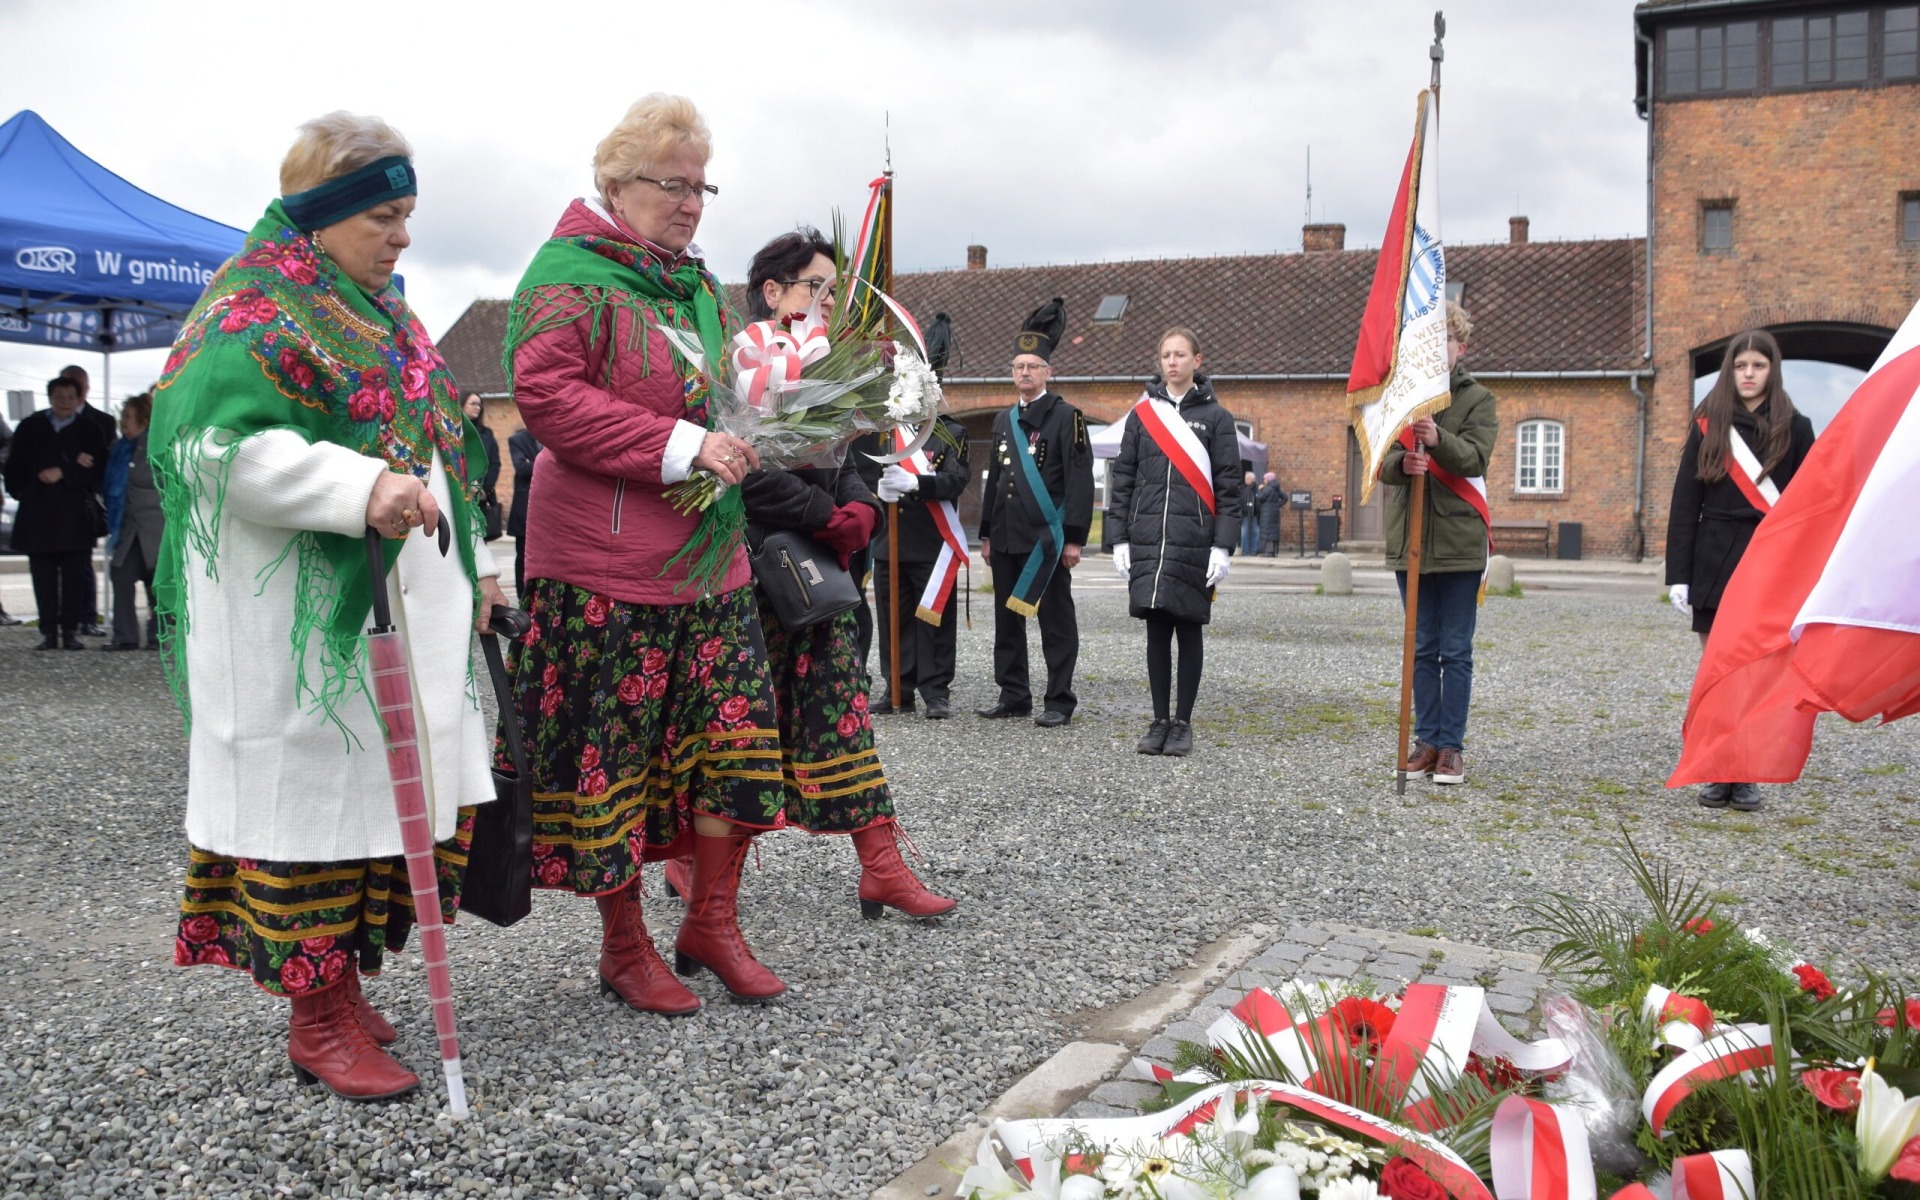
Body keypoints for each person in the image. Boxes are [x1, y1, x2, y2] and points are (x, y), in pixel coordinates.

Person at [152, 112, 507, 1102]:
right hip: (298, 625)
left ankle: (347, 991)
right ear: (326, 212)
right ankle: (318, 1019)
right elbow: (207, 450)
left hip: (400, 611)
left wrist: (479, 568)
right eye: (385, 215)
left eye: (408, 215)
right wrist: (353, 489)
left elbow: (442, 448)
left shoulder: (386, 315)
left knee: (377, 814)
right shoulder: (249, 314)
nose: (402, 236)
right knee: (317, 814)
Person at [502, 94, 789, 1009]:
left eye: (702, 185)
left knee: (733, 742)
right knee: (613, 756)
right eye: (673, 184)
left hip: (709, 553)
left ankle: (712, 919)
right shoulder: (566, 274)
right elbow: (545, 396)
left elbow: (710, 394)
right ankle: (624, 946)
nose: (692, 202)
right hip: (604, 558)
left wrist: (768, 418)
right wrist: (679, 445)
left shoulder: (693, 283)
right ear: (616, 183)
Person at [661, 226, 955, 921]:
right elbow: (741, 469)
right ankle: (697, 876)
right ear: (774, 291)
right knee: (738, 731)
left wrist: (856, 506)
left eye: (831, 287)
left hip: (817, 574)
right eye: (816, 286)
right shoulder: (725, 363)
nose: (828, 299)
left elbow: (840, 451)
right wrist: (825, 512)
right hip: (749, 571)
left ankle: (881, 864)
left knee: (843, 710)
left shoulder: (825, 362)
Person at [1665, 329, 1816, 812]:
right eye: (1741, 366)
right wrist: (1679, 574)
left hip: (1770, 563)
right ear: (1731, 371)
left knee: (1756, 674)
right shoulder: (1708, 425)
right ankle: (1717, 768)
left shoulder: (1797, 427)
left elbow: (1811, 507)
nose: (1749, 374)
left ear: (1773, 371)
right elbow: (1685, 504)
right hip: (1714, 559)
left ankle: (1745, 772)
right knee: (1718, 673)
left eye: (1759, 365)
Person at [1105, 328, 1243, 757]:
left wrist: (1223, 546)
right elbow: (1123, 479)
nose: (1172, 362)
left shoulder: (1217, 419)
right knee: (1156, 630)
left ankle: (1183, 722)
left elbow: (1229, 486)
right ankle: (1159, 719)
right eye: (1166, 355)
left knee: (1189, 629)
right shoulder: (1142, 416)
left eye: (1180, 355)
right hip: (1148, 538)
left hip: (1194, 540)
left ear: (1197, 360)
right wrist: (1118, 539)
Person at [1380, 301, 1497, 788]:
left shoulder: (1478, 399)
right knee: (1420, 649)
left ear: (1460, 348)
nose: (1435, 350)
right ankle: (1426, 741)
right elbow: (1382, 457)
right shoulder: (1401, 395)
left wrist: (1438, 437)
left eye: (1444, 341)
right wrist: (1400, 465)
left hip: (1458, 542)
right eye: (1426, 342)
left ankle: (1451, 748)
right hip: (1411, 542)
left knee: (1456, 650)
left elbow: (1475, 456)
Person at [977, 299, 1095, 727]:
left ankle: (1059, 699)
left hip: (1047, 539)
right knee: (1007, 622)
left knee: (1056, 623)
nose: (1024, 373)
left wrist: (1076, 537)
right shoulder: (1004, 421)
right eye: (1018, 366)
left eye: (1032, 366)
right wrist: (986, 533)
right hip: (1008, 537)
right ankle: (1014, 694)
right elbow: (994, 481)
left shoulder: (1067, 417)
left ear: (1048, 372)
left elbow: (1081, 482)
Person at [873, 412, 971, 719]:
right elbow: (860, 471)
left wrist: (917, 482)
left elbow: (956, 479)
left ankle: (935, 691)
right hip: (890, 540)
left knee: (934, 620)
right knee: (893, 620)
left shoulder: (951, 431)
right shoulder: (885, 428)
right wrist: (875, 491)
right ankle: (897, 688)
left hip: (932, 542)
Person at [5, 376, 108, 649]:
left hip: (75, 514)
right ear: (50, 397)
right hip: (37, 512)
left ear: (79, 399)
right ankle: (48, 631)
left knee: (76, 576)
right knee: (43, 576)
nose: (64, 402)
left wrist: (65, 472)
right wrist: (23, 491)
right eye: (59, 396)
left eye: (70, 397)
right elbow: (13, 466)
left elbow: (98, 471)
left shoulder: (90, 430)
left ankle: (70, 631)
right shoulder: (30, 426)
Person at [102, 392, 164, 650]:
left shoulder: (157, 446)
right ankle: (125, 636)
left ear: (144, 419)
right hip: (130, 529)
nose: (123, 421)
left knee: (158, 584)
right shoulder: (120, 448)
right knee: (121, 575)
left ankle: (160, 636)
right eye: (122, 416)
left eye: (128, 416)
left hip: (156, 528)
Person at [59, 363, 117, 637]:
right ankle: (64, 617)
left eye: (75, 386)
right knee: (60, 565)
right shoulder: (48, 421)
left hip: (87, 501)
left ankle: (88, 616)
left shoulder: (102, 421)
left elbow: (104, 462)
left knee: (82, 563)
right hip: (56, 501)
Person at [506, 424, 541, 597]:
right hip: (525, 507)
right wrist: (549, 463)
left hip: (549, 507)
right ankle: (522, 597)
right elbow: (521, 468)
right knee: (523, 556)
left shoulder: (554, 437)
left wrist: (532, 464)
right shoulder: (517, 440)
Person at [464, 393, 504, 541]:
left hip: (480, 496)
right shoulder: (455, 432)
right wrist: (467, 484)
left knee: (479, 540)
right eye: (473, 403)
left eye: (479, 404)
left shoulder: (486, 433)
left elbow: (494, 463)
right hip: (461, 492)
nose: (477, 407)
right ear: (462, 405)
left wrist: (484, 489)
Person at [1255, 472, 1284, 555]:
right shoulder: (1276, 488)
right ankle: (1272, 551)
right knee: (1273, 532)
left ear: (1268, 480)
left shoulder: (1268, 489)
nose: (1264, 481)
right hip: (1274, 514)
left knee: (1268, 533)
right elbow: (1285, 497)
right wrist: (1278, 505)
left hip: (1267, 514)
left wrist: (1259, 490)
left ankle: (1268, 552)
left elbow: (1260, 497)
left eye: (1265, 479)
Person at [1237, 471, 1260, 556]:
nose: (1246, 480)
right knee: (1244, 533)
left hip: (1254, 513)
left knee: (1255, 532)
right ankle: (1245, 550)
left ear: (1252, 479)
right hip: (1245, 513)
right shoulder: (1242, 488)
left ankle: (1254, 550)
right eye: (1246, 478)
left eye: (1248, 478)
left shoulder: (1256, 489)